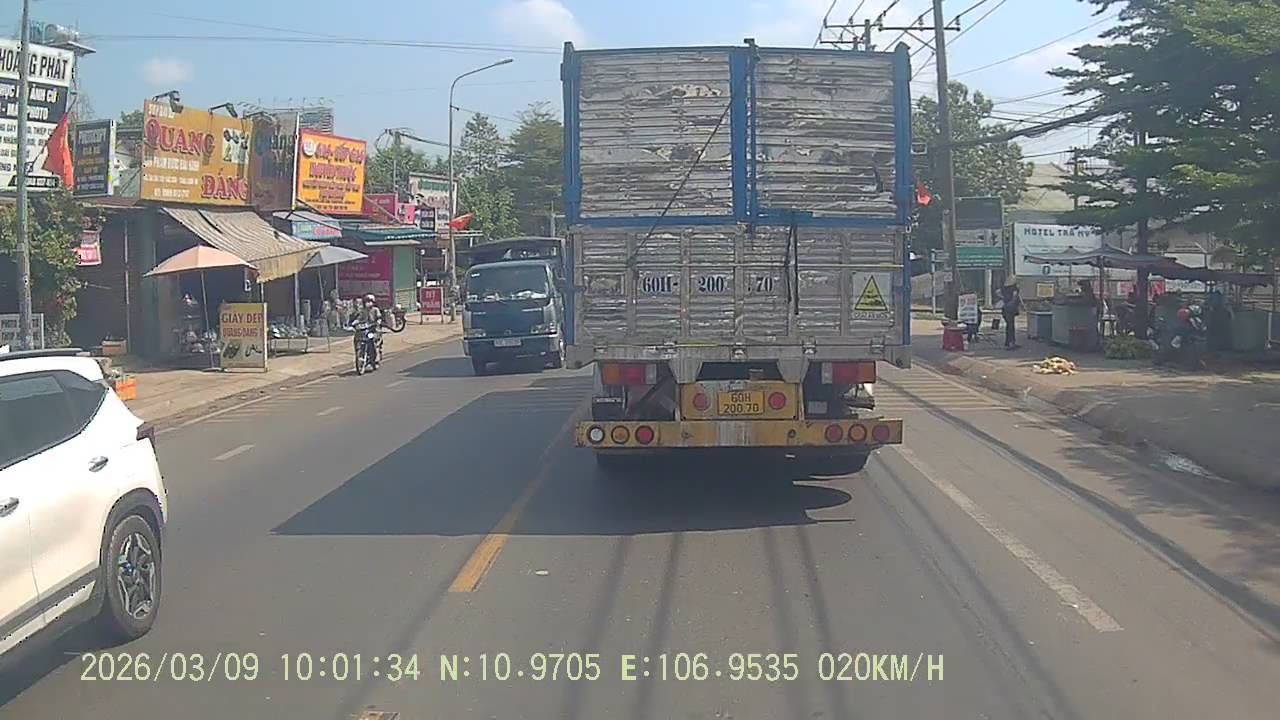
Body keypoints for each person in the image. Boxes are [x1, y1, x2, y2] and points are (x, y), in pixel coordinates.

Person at [348, 294, 384, 367]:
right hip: (366, 330)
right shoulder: (363, 311)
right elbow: (359, 319)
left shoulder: (375, 310)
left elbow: (379, 318)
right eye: (366, 301)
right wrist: (354, 323)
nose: (368, 303)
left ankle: (375, 359)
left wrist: (378, 322)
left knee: (373, 342)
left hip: (374, 330)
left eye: (370, 301)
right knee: (358, 339)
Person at [999, 280, 1022, 350]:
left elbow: (997, 292)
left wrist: (1003, 298)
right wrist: (1012, 302)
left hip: (1005, 308)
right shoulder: (1014, 289)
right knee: (1011, 326)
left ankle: (1008, 342)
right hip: (1011, 309)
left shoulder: (1004, 288)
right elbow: (1015, 297)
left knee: (1008, 326)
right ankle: (1011, 343)